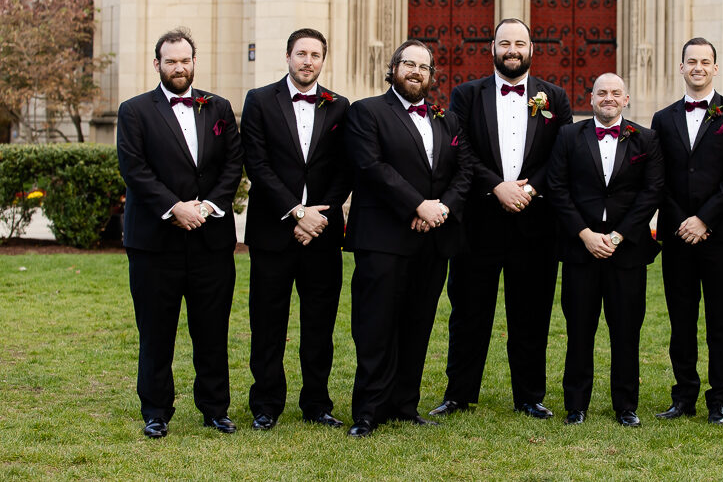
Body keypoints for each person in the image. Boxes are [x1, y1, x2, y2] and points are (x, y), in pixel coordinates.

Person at [429, 18, 572, 421]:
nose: (512, 49)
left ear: (531, 49)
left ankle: (529, 396)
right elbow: (461, 149)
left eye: (520, 43)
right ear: (492, 47)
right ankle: (459, 394)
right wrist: (497, 187)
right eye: (505, 42)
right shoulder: (466, 95)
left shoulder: (555, 98)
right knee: (469, 312)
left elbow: (562, 154)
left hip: (535, 223)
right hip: (478, 223)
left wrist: (528, 189)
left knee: (532, 313)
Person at [116, 27, 244, 438]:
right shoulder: (134, 111)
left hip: (210, 240)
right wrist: (175, 208)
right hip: (155, 243)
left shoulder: (218, 107)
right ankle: (155, 410)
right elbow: (135, 169)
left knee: (212, 330)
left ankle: (215, 408)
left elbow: (232, 165)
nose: (179, 67)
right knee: (156, 331)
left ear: (194, 62)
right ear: (157, 64)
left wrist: (206, 207)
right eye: (170, 61)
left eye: (185, 60)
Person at [343, 39, 471, 437]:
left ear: (432, 75)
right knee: (375, 324)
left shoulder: (446, 119)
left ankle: (404, 404)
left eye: (424, 67)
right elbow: (372, 167)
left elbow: (463, 171)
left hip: (432, 240)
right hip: (383, 238)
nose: (416, 72)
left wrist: (441, 209)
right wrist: (418, 206)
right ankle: (368, 410)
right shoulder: (367, 112)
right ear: (394, 68)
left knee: (418, 323)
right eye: (409, 64)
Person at [241, 28, 351, 431]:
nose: (308, 61)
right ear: (287, 56)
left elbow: (346, 167)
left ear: (323, 60)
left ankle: (317, 403)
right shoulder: (259, 101)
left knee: (319, 325)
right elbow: (257, 163)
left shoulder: (340, 106)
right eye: (301, 54)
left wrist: (319, 216)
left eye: (315, 55)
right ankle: (266, 404)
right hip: (274, 231)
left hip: (322, 234)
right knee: (268, 323)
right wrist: (294, 210)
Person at [546, 73, 664, 427]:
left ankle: (626, 405)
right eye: (602, 93)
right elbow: (557, 187)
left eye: (615, 93)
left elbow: (652, 192)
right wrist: (584, 234)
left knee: (626, 330)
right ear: (591, 98)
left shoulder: (647, 139)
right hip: (581, 250)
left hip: (626, 253)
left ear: (626, 99)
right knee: (580, 328)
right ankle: (576, 405)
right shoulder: (569, 135)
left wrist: (617, 236)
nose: (608, 98)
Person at [650, 37, 723, 426]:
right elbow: (658, 178)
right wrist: (682, 221)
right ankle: (684, 395)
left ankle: (720, 397)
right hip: (678, 235)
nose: (697, 67)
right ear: (681, 68)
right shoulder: (663, 118)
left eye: (705, 62)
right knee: (681, 319)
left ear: (715, 68)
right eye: (691, 61)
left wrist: (704, 219)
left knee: (721, 319)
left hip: (721, 234)